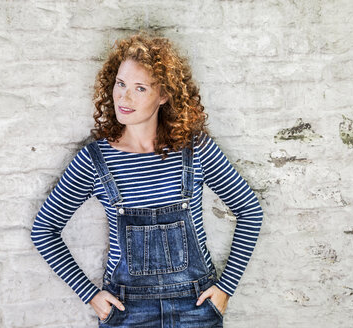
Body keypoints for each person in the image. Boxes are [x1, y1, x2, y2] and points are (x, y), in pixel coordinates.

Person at [30, 31, 264, 327]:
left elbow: (250, 210)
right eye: (121, 83)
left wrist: (226, 289)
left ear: (164, 95)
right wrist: (90, 294)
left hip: (196, 307)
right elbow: (44, 229)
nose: (124, 97)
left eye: (140, 88)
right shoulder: (94, 160)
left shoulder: (195, 149)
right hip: (127, 311)